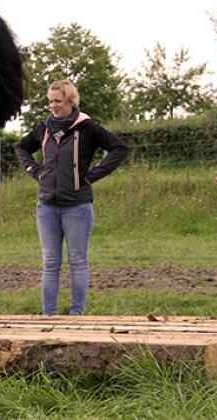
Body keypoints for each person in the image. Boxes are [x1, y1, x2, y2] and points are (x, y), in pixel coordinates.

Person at [15, 80, 128, 316]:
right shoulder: (44, 128)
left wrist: (92, 176)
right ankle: (48, 314)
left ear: (71, 101)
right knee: (50, 263)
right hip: (46, 207)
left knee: (77, 261)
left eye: (58, 101)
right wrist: (34, 171)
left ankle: (77, 314)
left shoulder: (87, 128)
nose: (53, 106)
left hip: (77, 207)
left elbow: (119, 148)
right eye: (50, 102)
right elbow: (22, 147)